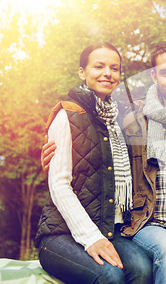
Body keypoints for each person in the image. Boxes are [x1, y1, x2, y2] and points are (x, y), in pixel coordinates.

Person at [42, 40, 166, 284]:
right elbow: (95, 147)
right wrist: (54, 156)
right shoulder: (133, 119)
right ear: (154, 76)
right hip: (145, 225)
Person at [35, 42, 152, 284]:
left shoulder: (123, 119)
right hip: (62, 234)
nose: (107, 73)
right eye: (98, 66)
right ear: (82, 72)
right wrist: (91, 239)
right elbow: (59, 185)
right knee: (110, 276)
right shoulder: (67, 114)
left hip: (111, 228)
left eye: (114, 68)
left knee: (142, 269)